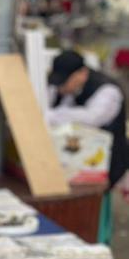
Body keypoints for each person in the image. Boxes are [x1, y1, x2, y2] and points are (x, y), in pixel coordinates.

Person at [47, 49, 128, 188]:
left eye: (65, 81)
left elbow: (92, 118)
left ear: (82, 73)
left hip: (110, 164)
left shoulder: (108, 91)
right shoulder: (66, 89)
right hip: (76, 161)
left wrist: (52, 116)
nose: (62, 86)